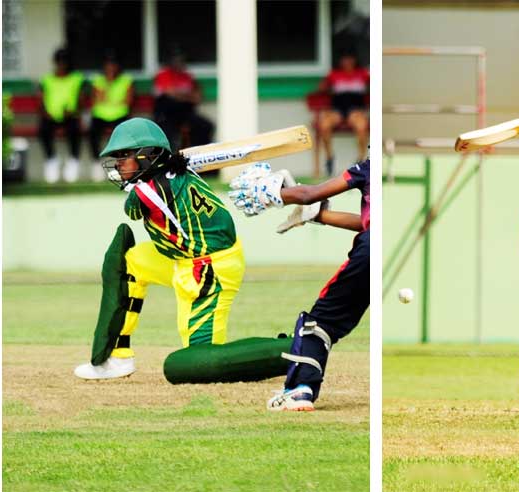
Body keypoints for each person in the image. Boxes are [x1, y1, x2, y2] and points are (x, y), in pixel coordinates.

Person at [73, 117, 243, 379]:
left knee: (201, 361)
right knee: (132, 261)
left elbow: (132, 208)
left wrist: (142, 182)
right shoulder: (179, 172)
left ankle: (283, 351)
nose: (118, 163)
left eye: (124, 155)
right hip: (182, 257)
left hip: (209, 268)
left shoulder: (148, 192)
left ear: (147, 156)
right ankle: (118, 358)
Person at [227, 159, 370, 411]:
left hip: (370, 250)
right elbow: (368, 222)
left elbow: (308, 194)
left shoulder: (369, 167)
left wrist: (272, 193)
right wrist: (320, 215)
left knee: (321, 322)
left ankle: (300, 390)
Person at [316, 52, 369, 176]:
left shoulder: (362, 73)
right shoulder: (334, 74)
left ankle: (361, 159)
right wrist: (327, 85)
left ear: (355, 60)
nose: (348, 62)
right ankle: (329, 157)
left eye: (350, 59)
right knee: (324, 125)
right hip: (337, 110)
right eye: (345, 59)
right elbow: (321, 88)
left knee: (362, 127)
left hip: (356, 109)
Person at [152, 51, 213, 151]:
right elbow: (171, 93)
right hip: (167, 115)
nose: (180, 63)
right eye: (177, 60)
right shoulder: (164, 74)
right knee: (167, 134)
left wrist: (181, 95)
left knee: (205, 126)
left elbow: (198, 97)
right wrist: (187, 96)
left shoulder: (187, 76)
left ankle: (200, 155)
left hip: (185, 113)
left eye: (181, 61)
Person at [40, 48, 84, 184]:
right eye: (59, 61)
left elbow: (81, 100)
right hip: (50, 117)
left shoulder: (77, 78)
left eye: (65, 62)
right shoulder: (46, 79)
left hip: (71, 116)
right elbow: (40, 99)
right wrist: (45, 113)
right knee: (43, 130)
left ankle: (73, 161)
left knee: (75, 129)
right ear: (55, 62)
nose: (62, 65)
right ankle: (51, 160)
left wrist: (74, 111)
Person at [88, 54, 134, 182]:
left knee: (125, 137)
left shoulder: (126, 79)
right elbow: (97, 99)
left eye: (113, 64)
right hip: (100, 115)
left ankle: (122, 165)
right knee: (92, 132)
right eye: (108, 65)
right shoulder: (98, 80)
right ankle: (96, 163)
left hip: (120, 115)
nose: (111, 67)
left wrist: (109, 100)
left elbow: (128, 101)